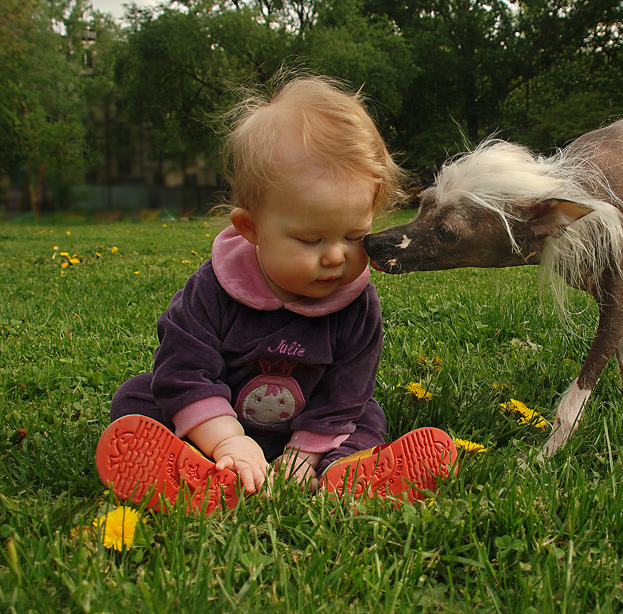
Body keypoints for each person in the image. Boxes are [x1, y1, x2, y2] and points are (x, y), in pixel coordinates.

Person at [95, 74, 457, 513]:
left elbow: (344, 392)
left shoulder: (357, 305)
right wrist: (228, 439)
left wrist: (303, 455)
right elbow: (185, 369)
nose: (334, 257)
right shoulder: (212, 289)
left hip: (311, 429)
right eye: (309, 239)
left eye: (353, 235)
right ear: (251, 230)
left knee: (364, 415)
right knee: (140, 396)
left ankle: (340, 472)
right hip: (215, 419)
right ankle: (200, 467)